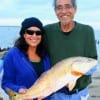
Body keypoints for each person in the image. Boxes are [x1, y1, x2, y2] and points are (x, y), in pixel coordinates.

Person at [43, 0, 97, 99]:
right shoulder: (47, 31)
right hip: (55, 95)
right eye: (59, 7)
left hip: (80, 94)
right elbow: (32, 51)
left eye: (68, 6)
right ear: (55, 11)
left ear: (75, 9)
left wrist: (77, 71)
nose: (64, 11)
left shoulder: (87, 31)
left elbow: (94, 62)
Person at [1, 17, 50, 100]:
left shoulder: (45, 55)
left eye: (38, 33)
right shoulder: (12, 55)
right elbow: (6, 83)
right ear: (24, 34)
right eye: (30, 32)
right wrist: (18, 89)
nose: (34, 36)